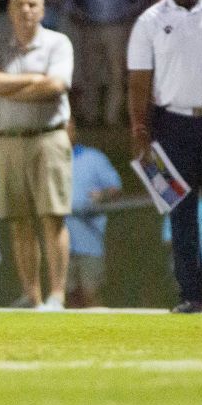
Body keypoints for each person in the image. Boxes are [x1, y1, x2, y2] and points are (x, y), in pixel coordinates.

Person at [128, 0, 202, 314]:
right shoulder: (149, 22)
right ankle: (190, 296)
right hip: (171, 125)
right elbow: (139, 81)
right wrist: (140, 131)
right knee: (181, 214)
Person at [0, 0, 74, 310]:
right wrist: (34, 81)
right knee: (18, 220)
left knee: (52, 217)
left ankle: (57, 295)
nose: (27, 10)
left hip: (48, 137)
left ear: (43, 10)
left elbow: (56, 85)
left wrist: (7, 87)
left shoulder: (58, 43)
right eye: (20, 4)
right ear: (10, 9)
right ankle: (32, 295)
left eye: (33, 4)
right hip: (10, 140)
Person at [67, 0, 131, 126]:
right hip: (91, 27)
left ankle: (112, 118)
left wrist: (128, 17)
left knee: (116, 74)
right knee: (90, 74)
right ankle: (90, 116)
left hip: (116, 27)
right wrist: (76, 14)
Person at [65, 118, 121, 308]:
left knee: (91, 293)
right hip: (62, 242)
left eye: (69, 129)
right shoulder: (50, 161)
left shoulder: (94, 158)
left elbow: (114, 188)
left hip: (90, 239)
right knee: (69, 296)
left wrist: (102, 195)